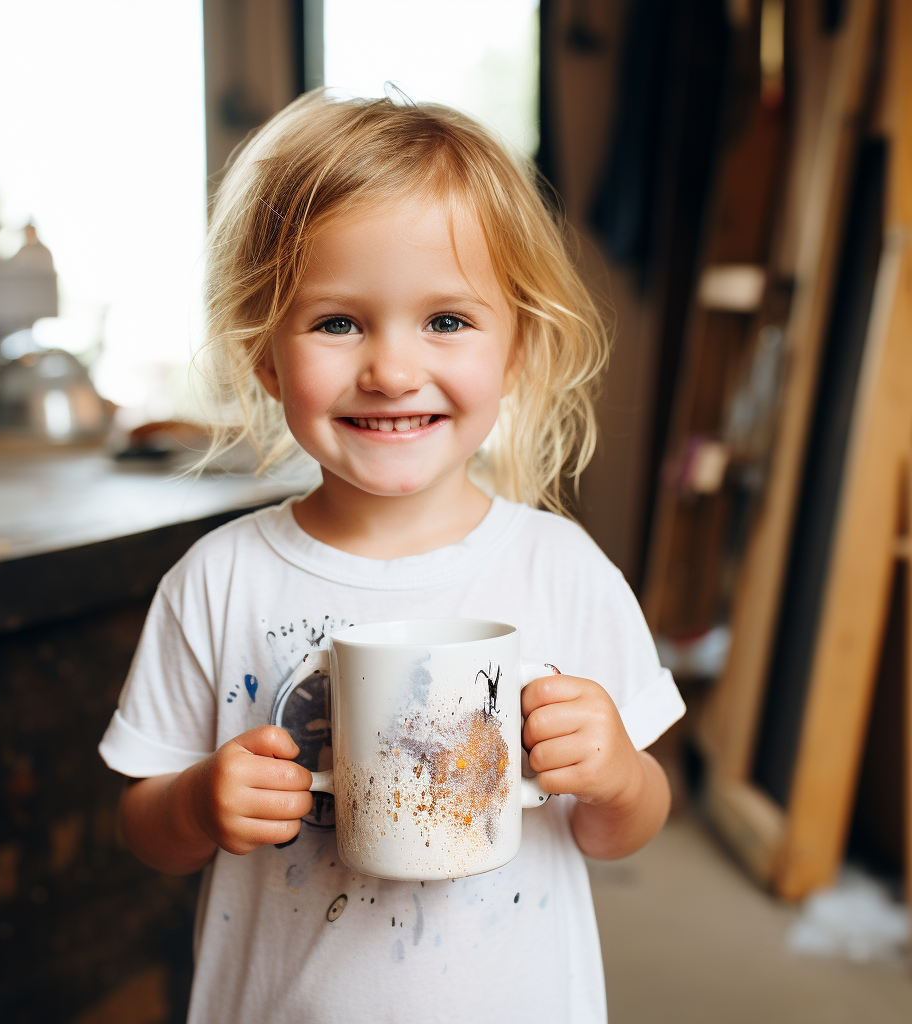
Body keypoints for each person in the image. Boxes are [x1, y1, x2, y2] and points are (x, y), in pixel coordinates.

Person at [99, 91, 685, 1023]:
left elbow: (628, 828)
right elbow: (145, 830)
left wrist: (615, 772)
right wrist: (200, 804)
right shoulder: (217, 580)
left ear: (518, 347)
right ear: (265, 357)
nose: (392, 370)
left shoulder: (562, 569)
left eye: (447, 320)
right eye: (338, 323)